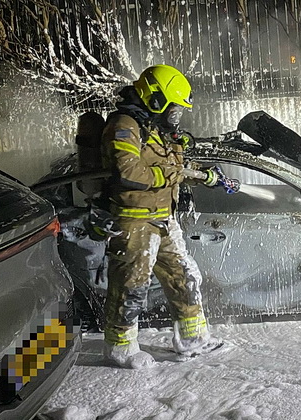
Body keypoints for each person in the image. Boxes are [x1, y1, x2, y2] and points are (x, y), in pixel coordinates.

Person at [101, 64, 226, 368]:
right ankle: (121, 347)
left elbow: (173, 167)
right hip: (135, 221)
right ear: (156, 99)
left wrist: (192, 165)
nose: (176, 115)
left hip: (161, 217)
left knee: (185, 275)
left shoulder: (152, 128)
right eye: (174, 108)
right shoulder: (124, 126)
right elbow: (128, 172)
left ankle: (194, 338)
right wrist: (170, 173)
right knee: (131, 286)